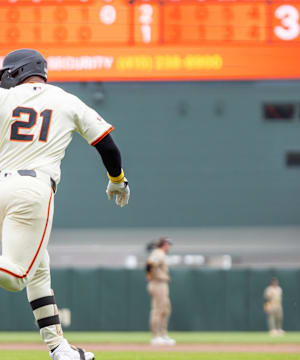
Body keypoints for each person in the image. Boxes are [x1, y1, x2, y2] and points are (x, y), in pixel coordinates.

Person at [0, 49, 130, 360]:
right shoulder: (66, 100)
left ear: (16, 72)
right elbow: (107, 146)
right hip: (32, 189)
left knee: (39, 272)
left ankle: (59, 348)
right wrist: (117, 179)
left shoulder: (3, 98)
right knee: (17, 277)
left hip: (2, 184)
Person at [146, 237, 175, 345]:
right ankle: (155, 336)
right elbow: (149, 265)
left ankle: (163, 334)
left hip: (162, 283)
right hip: (157, 283)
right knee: (158, 310)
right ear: (164, 244)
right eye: (168, 244)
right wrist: (149, 276)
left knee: (166, 309)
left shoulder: (161, 254)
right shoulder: (158, 253)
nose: (169, 246)